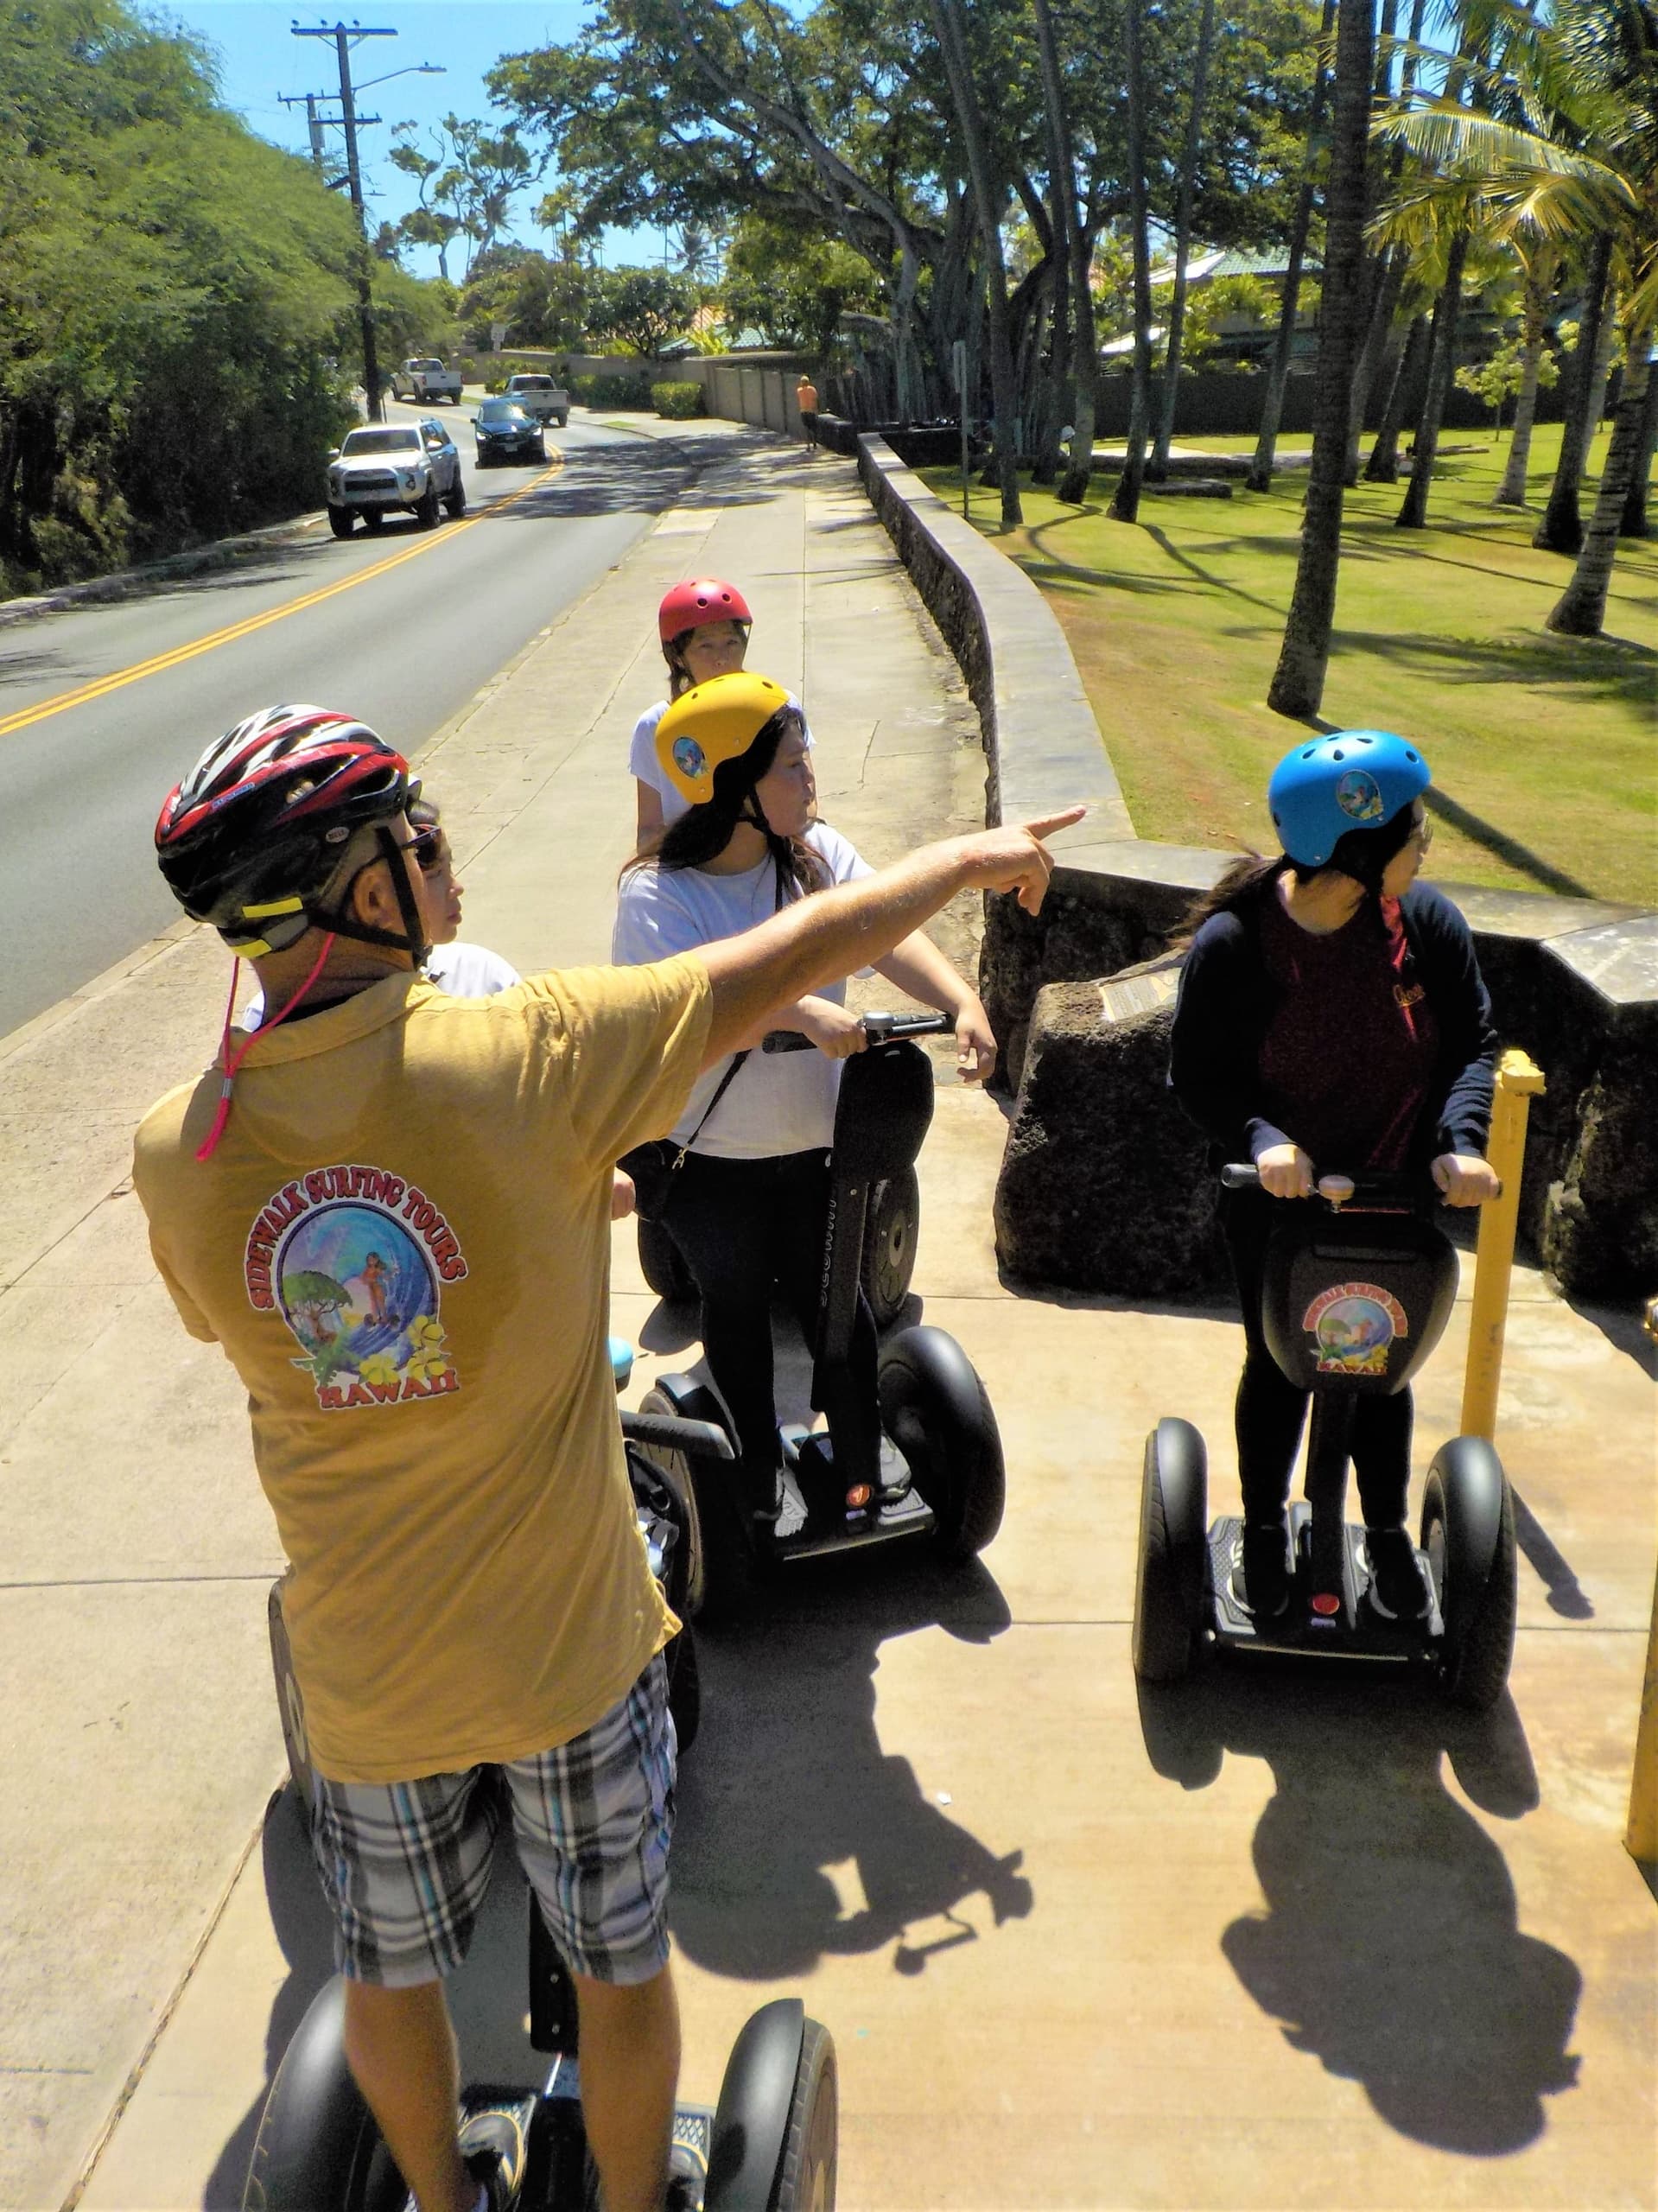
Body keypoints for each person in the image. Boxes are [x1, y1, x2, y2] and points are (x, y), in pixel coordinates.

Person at [136, 701, 1077, 2212]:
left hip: (365, 1673)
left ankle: (447, 2201)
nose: (441, 856)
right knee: (618, 1968)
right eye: (414, 839)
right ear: (364, 891)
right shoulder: (535, 1055)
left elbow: (266, 1301)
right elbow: (794, 949)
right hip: (565, 1647)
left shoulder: (175, 1153)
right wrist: (964, 859)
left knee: (387, 1980)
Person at [612, 670, 1000, 1529]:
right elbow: (695, 1003)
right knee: (738, 1308)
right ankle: (750, 1491)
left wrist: (960, 1001)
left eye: (804, 758)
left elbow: (887, 927)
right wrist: (799, 1010)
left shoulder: (818, 856)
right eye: (790, 765)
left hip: (819, 1149)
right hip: (707, 1161)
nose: (808, 778)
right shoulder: (655, 895)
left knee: (843, 1315)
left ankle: (860, 1475)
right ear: (730, 787)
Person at [1168, 731, 1499, 1624]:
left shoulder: (1422, 926)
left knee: (1379, 1364)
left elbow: (1470, 1042)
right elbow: (1198, 1078)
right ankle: (1269, 1527)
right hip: (1274, 1199)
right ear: (1353, 849)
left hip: (1400, 1187)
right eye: (1410, 830)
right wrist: (1261, 1136)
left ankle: (1386, 1531)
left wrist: (1457, 1141)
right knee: (1281, 1364)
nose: (1422, 844)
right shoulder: (1237, 945)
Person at [629, 578, 813, 842]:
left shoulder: (780, 705)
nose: (722, 658)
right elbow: (648, 831)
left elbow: (809, 804)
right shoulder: (655, 725)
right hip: (690, 867)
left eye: (731, 642)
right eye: (705, 646)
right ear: (678, 657)